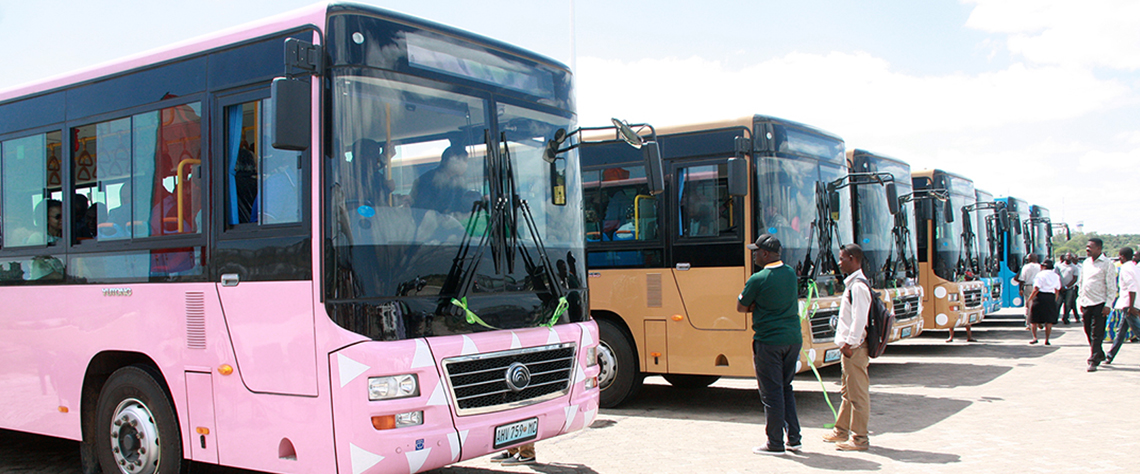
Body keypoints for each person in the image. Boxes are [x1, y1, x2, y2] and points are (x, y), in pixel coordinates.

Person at [736, 233, 802, 455]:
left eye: (756, 251)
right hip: (792, 340)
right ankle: (794, 438)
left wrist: (758, 305)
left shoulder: (758, 278)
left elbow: (741, 307)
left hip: (769, 341)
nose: (754, 255)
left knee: (771, 393)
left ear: (765, 254)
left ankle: (775, 443)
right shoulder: (791, 273)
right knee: (786, 388)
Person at [824, 243, 872, 451]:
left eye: (842, 258)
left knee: (858, 395)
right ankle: (841, 430)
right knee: (847, 392)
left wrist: (849, 344)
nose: (839, 262)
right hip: (850, 348)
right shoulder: (852, 284)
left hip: (854, 348)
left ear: (852, 258)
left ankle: (860, 439)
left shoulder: (859, 286)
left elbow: (859, 320)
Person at [1078, 237, 1117, 372]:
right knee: (1088, 331)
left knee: (1097, 333)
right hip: (1086, 302)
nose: (1088, 249)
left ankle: (1093, 360)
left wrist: (1108, 304)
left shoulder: (1107, 264)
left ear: (1099, 249)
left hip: (1100, 303)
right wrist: (1081, 299)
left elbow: (1111, 286)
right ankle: (1099, 353)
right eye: (1087, 246)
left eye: (1091, 247)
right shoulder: (1086, 263)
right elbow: (1081, 282)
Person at [410, 145, 474, 215]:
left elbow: (458, 206)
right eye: (464, 161)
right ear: (450, 160)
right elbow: (423, 209)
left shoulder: (456, 181)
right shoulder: (428, 181)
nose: (466, 165)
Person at [1106, 247, 1140, 364]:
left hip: (1129, 304)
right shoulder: (1135, 268)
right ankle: (1110, 356)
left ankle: (1110, 356)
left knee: (1138, 331)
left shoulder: (1125, 269)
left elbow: (1132, 288)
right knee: (1121, 332)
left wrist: (1131, 307)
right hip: (1132, 303)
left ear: (1122, 256)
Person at [1027, 259, 1061, 345]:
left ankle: (1035, 337)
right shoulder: (1056, 276)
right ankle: (1047, 339)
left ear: (1043, 267)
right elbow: (1057, 290)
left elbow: (1036, 288)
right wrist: (1055, 300)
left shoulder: (1040, 275)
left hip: (1040, 297)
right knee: (1049, 321)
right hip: (1050, 296)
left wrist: (1030, 298)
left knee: (1033, 319)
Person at [1014, 254, 1041, 327]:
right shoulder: (1040, 267)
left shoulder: (1025, 267)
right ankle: (1038, 322)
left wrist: (1020, 289)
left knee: (1028, 306)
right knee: (1038, 305)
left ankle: (1028, 324)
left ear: (1029, 259)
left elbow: (1021, 279)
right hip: (1038, 287)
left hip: (1028, 287)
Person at [1057, 253, 1080, 324]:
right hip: (1059, 288)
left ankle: (1066, 318)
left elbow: (1075, 278)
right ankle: (1055, 318)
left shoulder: (1074, 267)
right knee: (1058, 303)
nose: (1068, 257)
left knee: (1068, 304)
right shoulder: (1059, 266)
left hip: (1069, 289)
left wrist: (1067, 286)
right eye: (1067, 256)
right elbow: (1056, 276)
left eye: (1070, 256)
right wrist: (1059, 286)